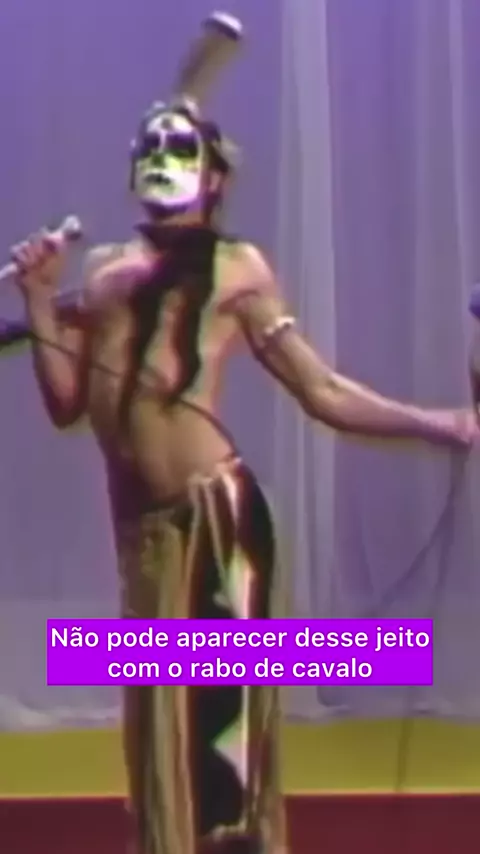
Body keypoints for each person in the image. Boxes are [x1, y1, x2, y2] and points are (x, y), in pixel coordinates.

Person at [11, 99, 478, 854]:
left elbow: (320, 390)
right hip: (144, 538)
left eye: (181, 152)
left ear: (216, 178)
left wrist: (441, 423)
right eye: (151, 151)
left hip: (217, 523)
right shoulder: (103, 275)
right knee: (158, 733)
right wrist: (38, 299)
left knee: (220, 743)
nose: (163, 165)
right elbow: (67, 404)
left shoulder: (238, 269)